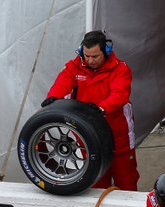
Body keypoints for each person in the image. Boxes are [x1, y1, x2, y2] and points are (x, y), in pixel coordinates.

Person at [43, 30, 140, 191]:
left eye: (95, 56)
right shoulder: (75, 65)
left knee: (126, 179)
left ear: (106, 52)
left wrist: (102, 108)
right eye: (86, 56)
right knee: (96, 181)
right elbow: (63, 82)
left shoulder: (120, 69)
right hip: (89, 133)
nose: (90, 60)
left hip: (118, 132)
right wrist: (53, 97)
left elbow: (120, 94)